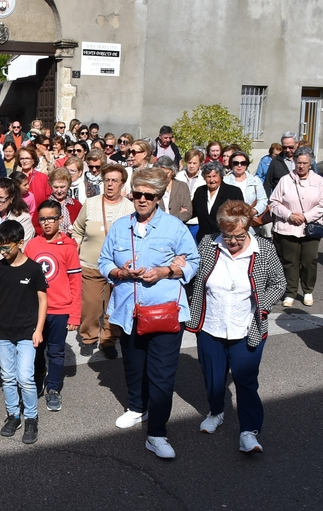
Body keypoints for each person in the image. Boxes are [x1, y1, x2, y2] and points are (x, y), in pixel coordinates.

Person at [98, 167, 199, 459]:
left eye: (148, 195)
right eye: (138, 194)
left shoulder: (174, 228)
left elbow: (192, 262)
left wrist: (165, 270)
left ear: (158, 197)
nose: (142, 200)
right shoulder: (120, 227)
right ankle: (135, 407)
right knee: (133, 366)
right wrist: (118, 270)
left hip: (164, 313)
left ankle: (157, 433)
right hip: (128, 310)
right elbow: (104, 260)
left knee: (162, 376)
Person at [186, 200, 286, 453]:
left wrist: (263, 306)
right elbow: (194, 276)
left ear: (248, 228)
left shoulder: (263, 249)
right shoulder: (208, 245)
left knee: (246, 380)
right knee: (213, 378)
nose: (232, 241)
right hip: (211, 325)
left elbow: (278, 284)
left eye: (239, 236)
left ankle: (249, 431)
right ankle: (216, 412)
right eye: (227, 235)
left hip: (246, 326)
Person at [0, 220, 48, 445]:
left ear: (20, 243)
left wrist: (39, 329)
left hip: (27, 332)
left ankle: (31, 417)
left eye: (6, 247)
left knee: (26, 378)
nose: (2, 252)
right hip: (3, 332)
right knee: (8, 377)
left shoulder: (33, 268)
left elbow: (43, 299)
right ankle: (13, 415)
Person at [72, 163, 135, 358]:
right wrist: (75, 250)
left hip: (119, 268)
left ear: (122, 184)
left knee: (113, 305)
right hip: (90, 264)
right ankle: (89, 337)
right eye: (106, 180)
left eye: (114, 181)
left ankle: (109, 340)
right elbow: (77, 230)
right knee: (90, 304)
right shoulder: (90, 203)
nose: (109, 184)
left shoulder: (130, 208)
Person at [26, 200, 82, 412]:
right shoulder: (32, 245)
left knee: (57, 352)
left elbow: (76, 284)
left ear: (60, 219)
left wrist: (75, 315)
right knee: (36, 349)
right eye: (42, 219)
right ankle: (39, 376)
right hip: (36, 310)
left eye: (51, 218)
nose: (47, 223)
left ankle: (53, 389)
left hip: (60, 310)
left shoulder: (69, 248)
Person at [269, 146, 323, 307]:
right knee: (290, 261)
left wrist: (305, 217)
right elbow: (274, 202)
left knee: (310, 260)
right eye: (298, 162)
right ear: (294, 162)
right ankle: (290, 292)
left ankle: (308, 290)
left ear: (310, 164)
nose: (301, 166)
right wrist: (289, 215)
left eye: (305, 163)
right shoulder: (285, 180)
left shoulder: (319, 181)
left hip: (310, 228)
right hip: (288, 227)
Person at [192, 161, 244, 243]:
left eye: (214, 176)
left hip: (226, 239)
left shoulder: (233, 192)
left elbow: (241, 216)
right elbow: (193, 211)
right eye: (208, 176)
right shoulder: (200, 191)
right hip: (204, 239)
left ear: (221, 176)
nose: (212, 180)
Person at [224, 151, 268, 231]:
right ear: (231, 164)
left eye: (243, 163)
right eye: (236, 163)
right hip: (231, 224)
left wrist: (254, 211)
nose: (239, 165)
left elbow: (263, 200)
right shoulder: (225, 181)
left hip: (251, 224)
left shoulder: (255, 180)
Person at [154, 157, 192, 223]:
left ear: (173, 171)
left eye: (167, 173)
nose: (164, 176)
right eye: (160, 173)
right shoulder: (153, 187)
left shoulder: (182, 186)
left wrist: (170, 220)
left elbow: (187, 212)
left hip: (177, 225)